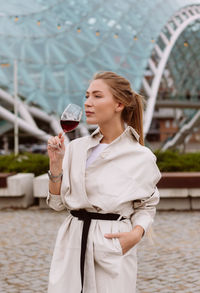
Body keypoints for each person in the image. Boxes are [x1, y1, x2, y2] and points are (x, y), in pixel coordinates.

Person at [47, 71, 161, 293]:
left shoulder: (140, 156)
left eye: (97, 96)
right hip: (72, 239)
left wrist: (135, 235)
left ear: (119, 104)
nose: (88, 103)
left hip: (112, 240)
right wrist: (56, 164)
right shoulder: (75, 148)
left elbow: (147, 206)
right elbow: (56, 204)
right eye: (87, 96)